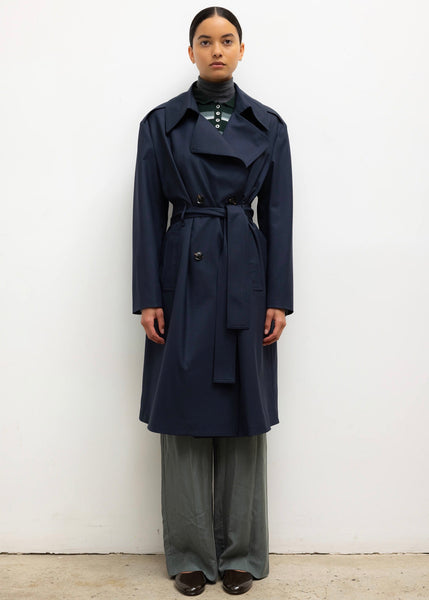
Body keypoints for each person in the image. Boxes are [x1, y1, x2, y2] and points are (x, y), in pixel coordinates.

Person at [132, 6, 293, 596]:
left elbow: (279, 215)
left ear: (242, 50)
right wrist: (148, 296)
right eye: (205, 40)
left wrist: (279, 297)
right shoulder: (160, 123)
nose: (216, 50)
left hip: (244, 275)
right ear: (191, 51)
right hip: (183, 273)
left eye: (227, 40)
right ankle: (190, 554)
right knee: (183, 414)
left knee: (245, 414)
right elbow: (147, 212)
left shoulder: (269, 125)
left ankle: (242, 554)